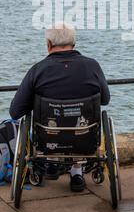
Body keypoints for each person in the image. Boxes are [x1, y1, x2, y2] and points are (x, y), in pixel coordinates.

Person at [10, 22, 110, 192]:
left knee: (47, 124)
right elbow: (105, 100)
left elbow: (15, 111)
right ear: (74, 44)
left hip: (48, 140)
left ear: (49, 44)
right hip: (85, 138)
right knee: (78, 123)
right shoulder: (92, 66)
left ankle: (51, 163)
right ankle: (76, 172)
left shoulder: (38, 70)